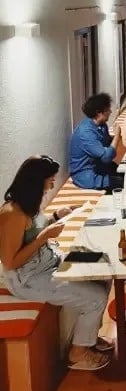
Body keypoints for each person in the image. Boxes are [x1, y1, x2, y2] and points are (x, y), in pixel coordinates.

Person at [0, 156, 112, 370]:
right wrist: (45, 237)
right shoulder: (11, 214)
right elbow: (11, 262)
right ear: (35, 181)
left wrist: (55, 216)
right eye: (49, 180)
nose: (52, 184)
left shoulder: (30, 203)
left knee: (102, 266)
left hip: (49, 259)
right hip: (28, 279)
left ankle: (87, 337)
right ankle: (78, 353)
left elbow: (34, 232)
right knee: (96, 298)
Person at [69, 93, 123, 191]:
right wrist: (117, 136)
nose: (110, 112)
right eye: (108, 109)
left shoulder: (101, 125)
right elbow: (107, 157)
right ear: (99, 112)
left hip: (100, 167)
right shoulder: (86, 132)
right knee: (123, 182)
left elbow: (106, 144)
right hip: (87, 176)